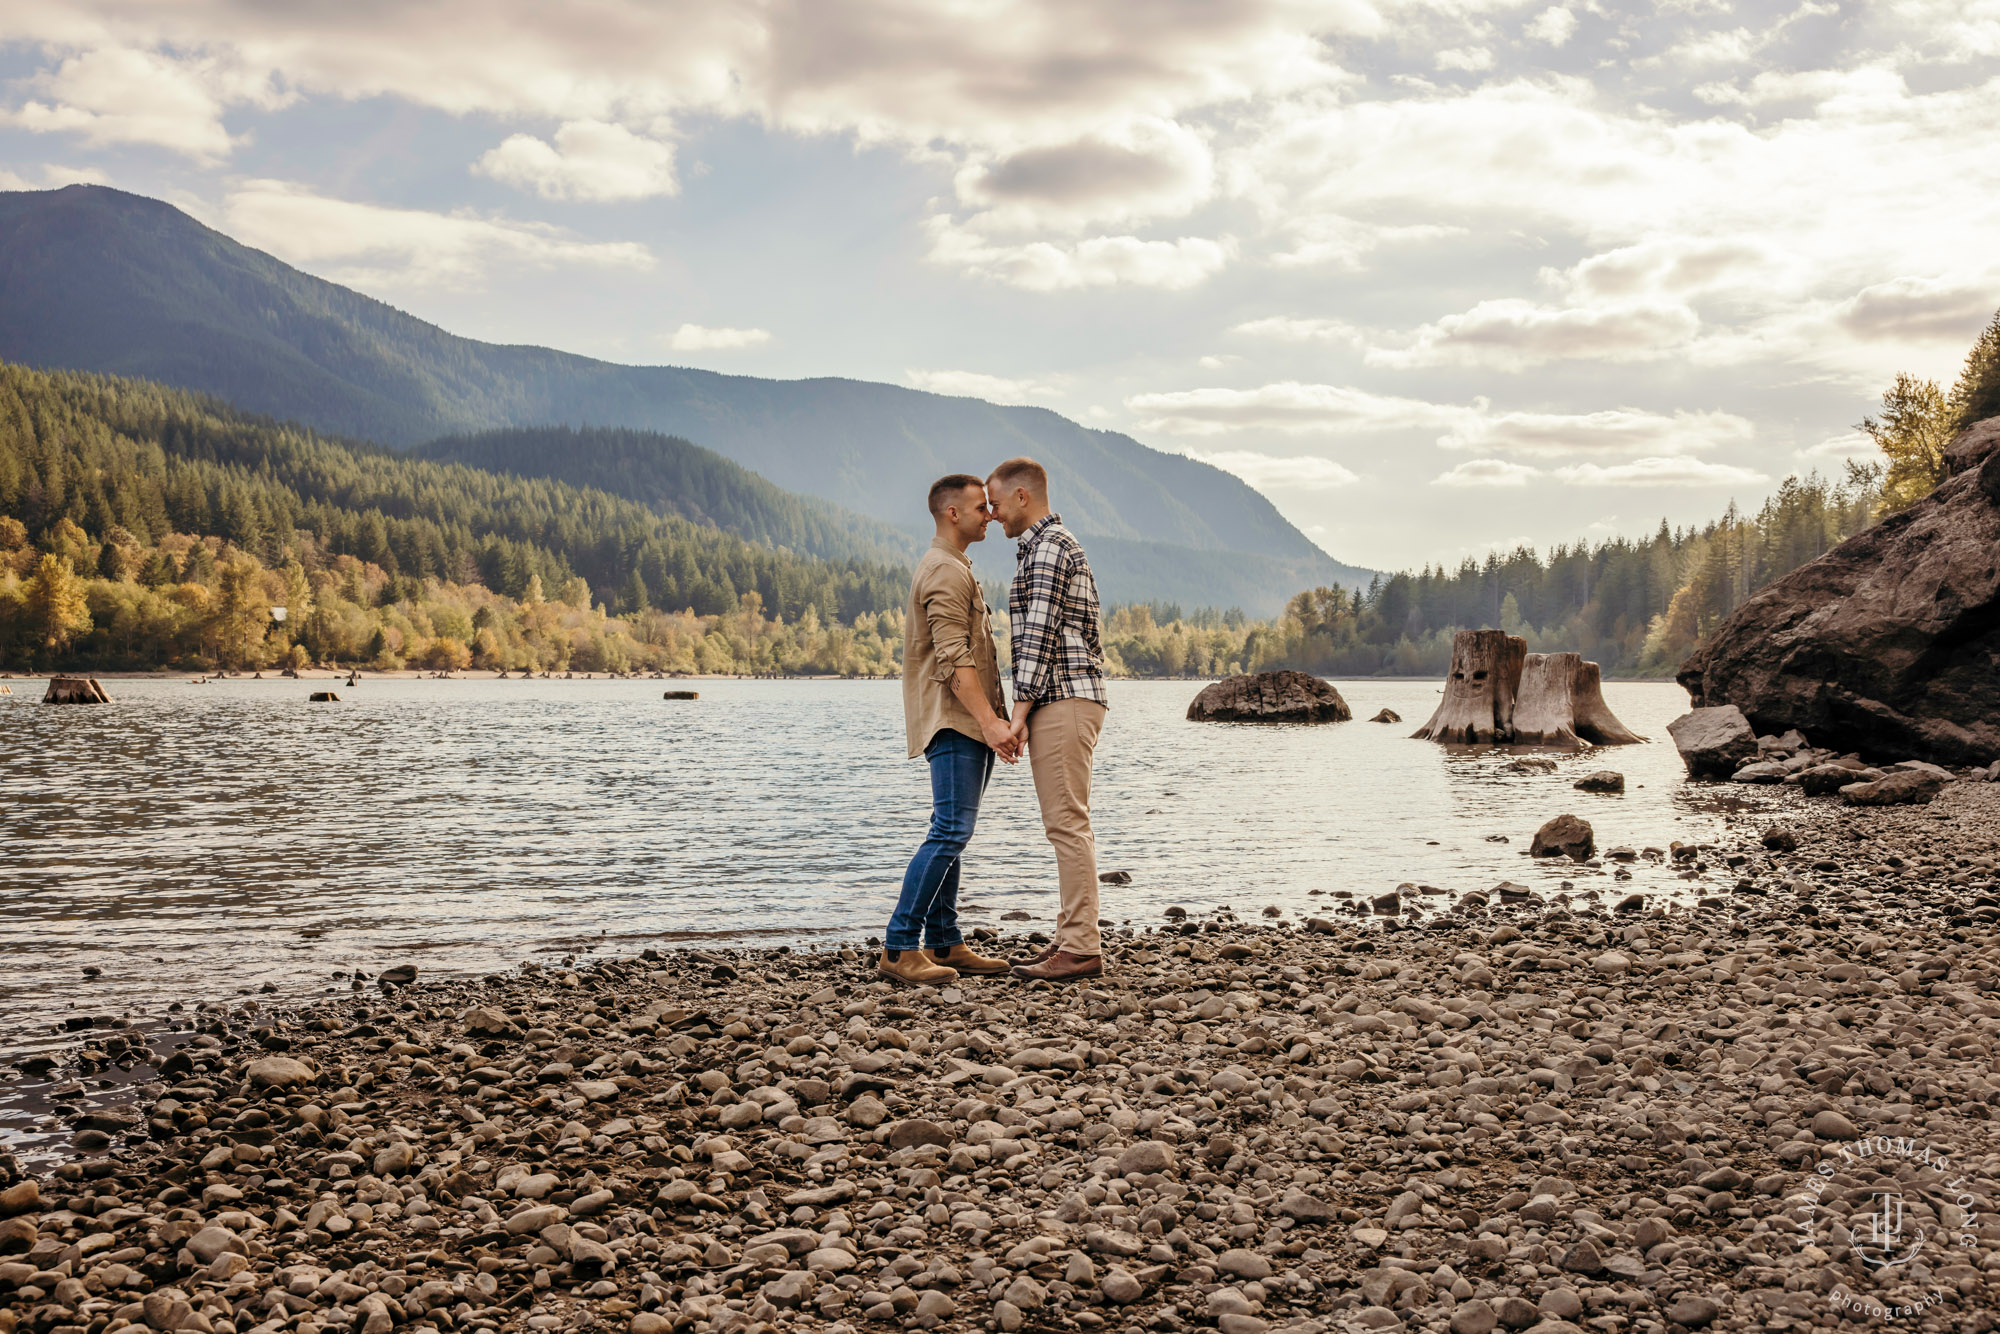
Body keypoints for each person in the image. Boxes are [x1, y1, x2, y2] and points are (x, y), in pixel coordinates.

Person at [880, 474, 1020, 986]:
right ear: (952, 514)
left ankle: (944, 940)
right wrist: (990, 723)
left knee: (952, 833)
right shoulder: (943, 570)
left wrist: (994, 721)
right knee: (950, 831)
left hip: (967, 721)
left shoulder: (955, 566)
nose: (990, 514)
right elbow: (953, 657)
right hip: (956, 720)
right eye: (980, 507)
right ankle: (899, 948)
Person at [986, 457, 1109, 982]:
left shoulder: (1048, 550)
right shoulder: (1049, 547)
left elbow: (1034, 640)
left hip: (1064, 700)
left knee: (1066, 823)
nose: (991, 515)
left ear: (1021, 496)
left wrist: (1017, 714)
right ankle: (1069, 936)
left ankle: (1081, 948)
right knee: (1066, 820)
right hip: (1066, 699)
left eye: (995, 503)